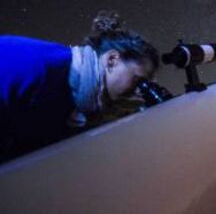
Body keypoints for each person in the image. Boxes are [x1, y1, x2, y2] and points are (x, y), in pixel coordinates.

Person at [0, 11, 159, 162]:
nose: (139, 90)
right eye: (137, 80)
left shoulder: (79, 101)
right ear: (112, 60)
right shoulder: (33, 65)